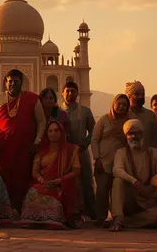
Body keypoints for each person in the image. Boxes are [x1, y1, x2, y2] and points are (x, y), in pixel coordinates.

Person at [0, 69, 46, 216]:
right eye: (9, 81)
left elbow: (41, 121)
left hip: (24, 146)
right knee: (4, 176)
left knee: (22, 177)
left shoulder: (32, 98)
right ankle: (2, 209)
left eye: (16, 81)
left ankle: (20, 209)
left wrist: (37, 141)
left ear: (22, 82)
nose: (12, 84)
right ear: (5, 83)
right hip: (3, 146)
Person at [20, 120, 82, 229]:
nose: (53, 133)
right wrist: (41, 180)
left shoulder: (72, 150)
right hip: (44, 184)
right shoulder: (42, 151)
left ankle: (55, 220)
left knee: (55, 201)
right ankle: (35, 221)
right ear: (46, 133)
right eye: (50, 131)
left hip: (62, 185)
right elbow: (34, 171)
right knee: (32, 192)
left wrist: (60, 180)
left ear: (62, 132)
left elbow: (76, 171)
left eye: (56, 130)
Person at [109, 119, 157, 232]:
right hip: (130, 198)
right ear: (126, 136)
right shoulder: (121, 152)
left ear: (143, 134)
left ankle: (125, 222)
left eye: (137, 133)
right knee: (117, 181)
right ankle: (118, 218)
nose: (134, 136)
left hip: (149, 200)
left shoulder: (155, 153)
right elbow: (117, 170)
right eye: (130, 133)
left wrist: (156, 197)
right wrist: (134, 181)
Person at [91, 94, 132, 226]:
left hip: (121, 162)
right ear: (113, 104)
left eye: (124, 105)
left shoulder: (129, 121)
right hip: (103, 161)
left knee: (118, 190)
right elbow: (94, 140)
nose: (121, 107)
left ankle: (116, 217)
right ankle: (101, 217)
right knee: (102, 190)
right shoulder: (104, 119)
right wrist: (97, 158)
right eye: (119, 104)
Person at [60, 81, 96, 220]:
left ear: (77, 93)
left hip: (81, 151)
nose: (70, 94)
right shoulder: (58, 111)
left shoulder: (85, 111)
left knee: (86, 181)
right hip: (64, 153)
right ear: (62, 93)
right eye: (67, 91)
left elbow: (93, 131)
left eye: (73, 91)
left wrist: (85, 144)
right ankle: (68, 212)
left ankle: (91, 213)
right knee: (66, 182)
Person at [125, 81, 157, 149]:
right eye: (136, 94)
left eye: (142, 94)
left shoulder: (150, 115)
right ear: (129, 96)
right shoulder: (123, 115)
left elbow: (156, 140)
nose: (140, 97)